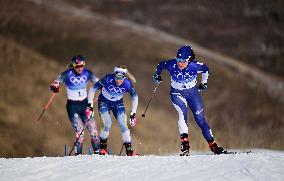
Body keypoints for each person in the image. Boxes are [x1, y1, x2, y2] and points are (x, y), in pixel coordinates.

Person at [153, 45, 225, 155]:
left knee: (200, 120)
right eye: (178, 60)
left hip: (193, 94)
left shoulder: (195, 66)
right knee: (182, 114)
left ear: (189, 60)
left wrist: (204, 83)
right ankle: (185, 146)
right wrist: (157, 75)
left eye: (183, 61)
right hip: (177, 93)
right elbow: (160, 65)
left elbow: (206, 69)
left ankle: (213, 145)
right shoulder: (171, 64)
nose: (179, 63)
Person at [49, 54, 100, 155]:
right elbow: (54, 84)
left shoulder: (87, 73)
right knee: (80, 134)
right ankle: (78, 158)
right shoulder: (67, 74)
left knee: (94, 132)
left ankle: (98, 154)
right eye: (77, 66)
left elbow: (99, 82)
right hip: (73, 107)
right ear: (73, 65)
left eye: (82, 66)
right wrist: (54, 87)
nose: (80, 68)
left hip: (85, 105)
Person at [86, 65, 138, 156]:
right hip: (104, 103)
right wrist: (90, 105)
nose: (118, 80)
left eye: (120, 78)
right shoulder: (107, 79)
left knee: (123, 125)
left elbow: (135, 97)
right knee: (108, 124)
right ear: (114, 75)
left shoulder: (127, 83)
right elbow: (92, 89)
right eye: (116, 77)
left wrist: (133, 113)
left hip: (118, 104)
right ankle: (103, 148)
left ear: (124, 77)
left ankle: (129, 151)